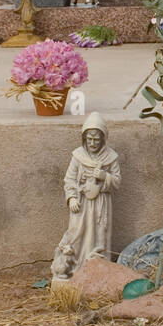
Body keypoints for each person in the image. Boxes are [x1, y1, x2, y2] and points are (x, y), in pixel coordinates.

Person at [52, 112, 121, 279]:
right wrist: (72, 197)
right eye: (89, 138)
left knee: (98, 235)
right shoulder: (78, 157)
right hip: (81, 204)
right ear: (84, 138)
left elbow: (117, 181)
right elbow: (69, 179)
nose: (92, 143)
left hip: (101, 204)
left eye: (96, 139)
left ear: (103, 138)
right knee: (76, 233)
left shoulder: (110, 158)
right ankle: (73, 268)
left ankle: (97, 272)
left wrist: (105, 177)